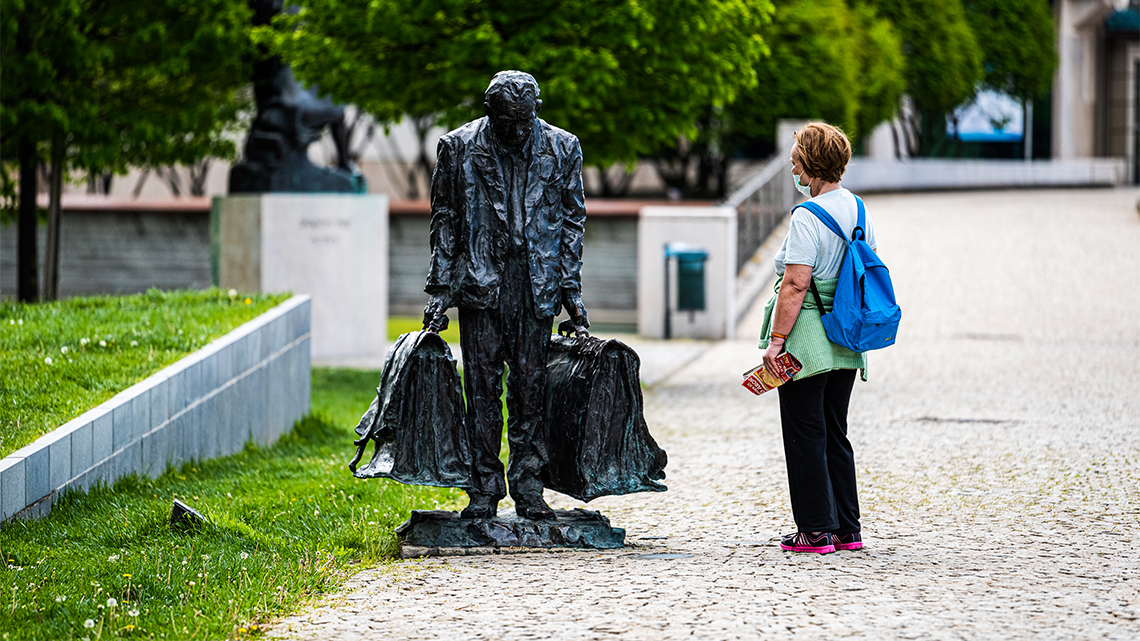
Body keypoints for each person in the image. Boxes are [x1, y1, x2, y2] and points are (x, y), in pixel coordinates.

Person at [422, 70, 590, 521]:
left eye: (523, 121)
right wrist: (440, 288)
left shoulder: (562, 146)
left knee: (531, 389)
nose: (516, 131)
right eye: (505, 122)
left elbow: (573, 221)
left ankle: (529, 485)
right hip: (481, 281)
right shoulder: (457, 147)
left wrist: (570, 288)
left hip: (536, 283)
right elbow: (445, 219)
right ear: (488, 113)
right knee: (480, 389)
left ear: (535, 111)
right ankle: (483, 487)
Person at [758, 122, 874, 554]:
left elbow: (795, 283)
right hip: (845, 331)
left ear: (810, 162)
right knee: (834, 429)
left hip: (807, 331)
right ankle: (847, 529)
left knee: (804, 429)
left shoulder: (808, 215)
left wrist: (776, 341)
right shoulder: (858, 209)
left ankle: (815, 530)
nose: (793, 166)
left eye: (796, 160)